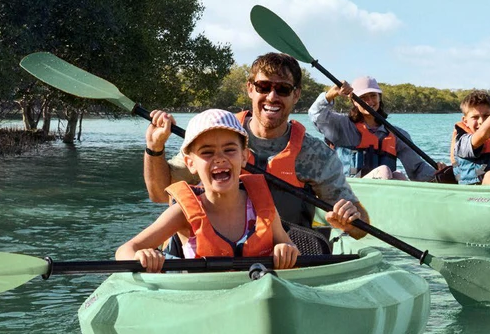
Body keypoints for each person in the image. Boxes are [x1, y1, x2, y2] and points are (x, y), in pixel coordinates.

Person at [142, 52, 367, 240]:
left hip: (288, 261)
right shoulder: (214, 136)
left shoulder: (316, 155)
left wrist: (348, 221)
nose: (272, 96)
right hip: (217, 261)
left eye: (283, 89)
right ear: (250, 89)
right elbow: (160, 194)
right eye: (263, 86)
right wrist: (154, 148)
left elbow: (361, 228)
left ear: (296, 94)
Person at [116, 110, 300, 272]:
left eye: (229, 150)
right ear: (190, 163)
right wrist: (140, 257)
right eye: (207, 152)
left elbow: (289, 246)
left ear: (244, 156)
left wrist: (286, 250)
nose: (219, 158)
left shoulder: (263, 206)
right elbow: (125, 250)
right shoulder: (181, 214)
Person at [309, 76, 437, 181]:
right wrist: (330, 95)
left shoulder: (397, 134)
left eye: (373, 96)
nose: (369, 101)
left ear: (379, 98)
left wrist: (438, 174)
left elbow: (417, 168)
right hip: (346, 190)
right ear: (354, 101)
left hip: (378, 192)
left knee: (399, 176)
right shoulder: (341, 125)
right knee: (384, 171)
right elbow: (315, 114)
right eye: (363, 97)